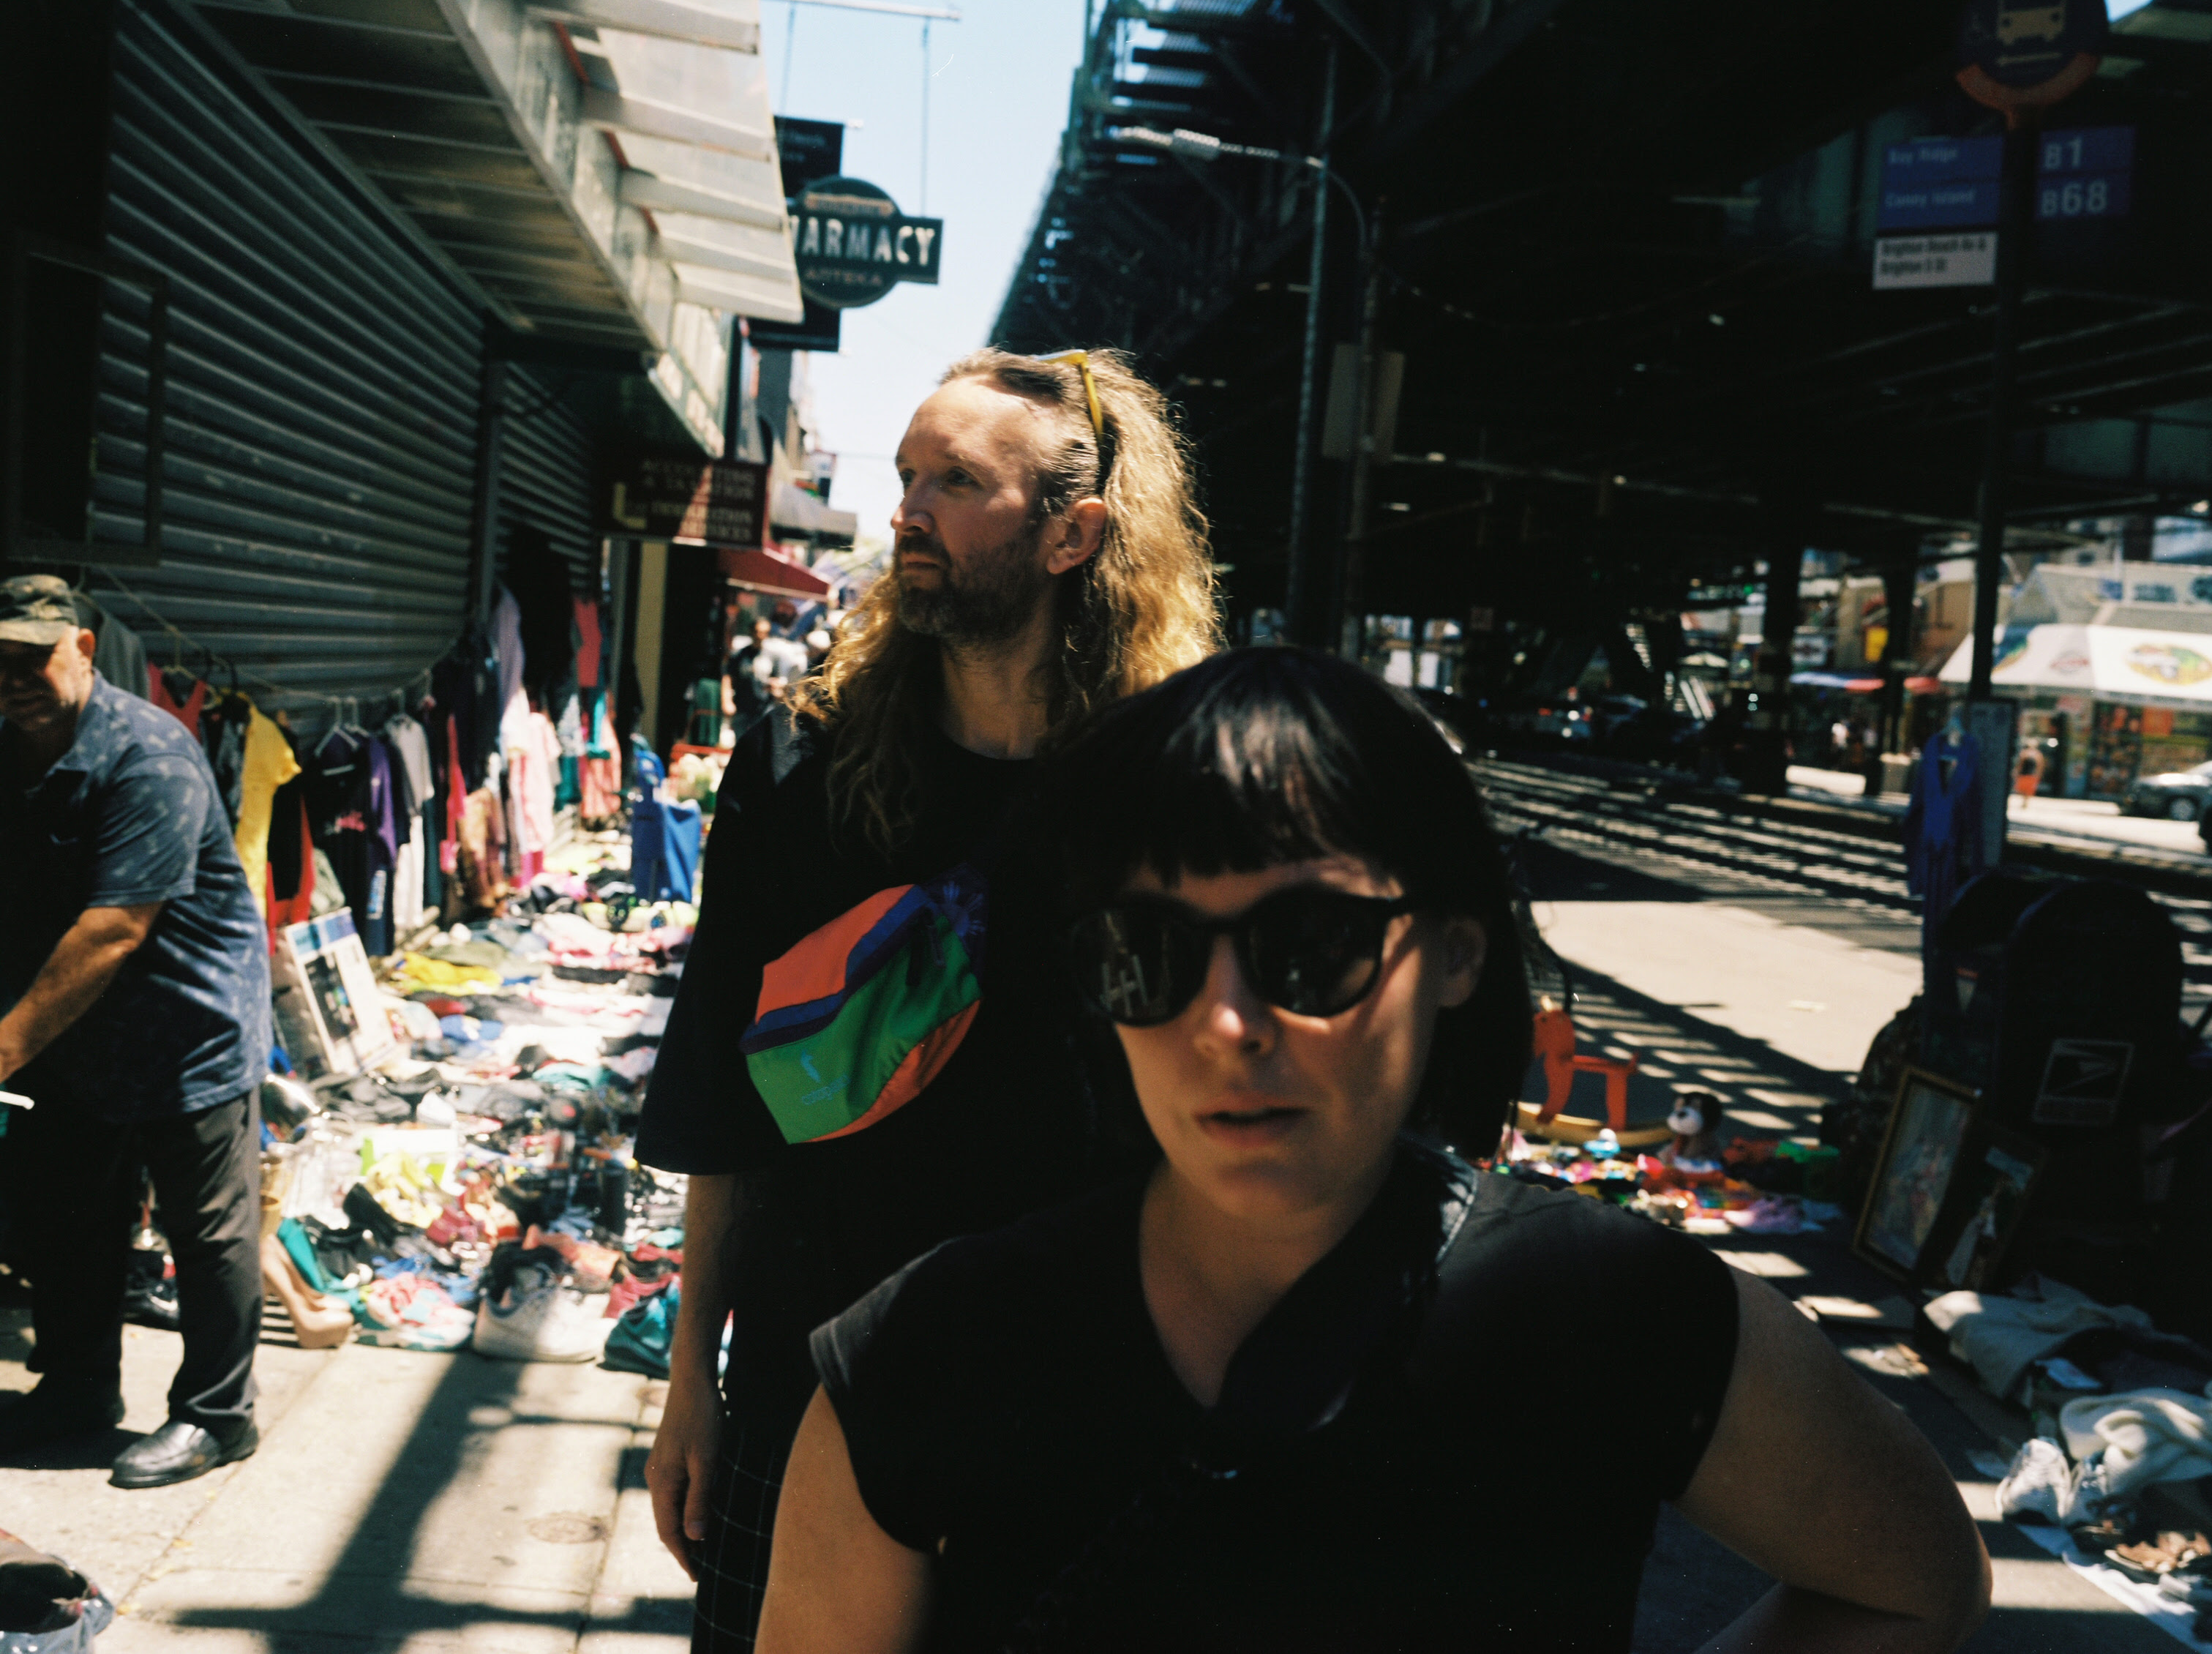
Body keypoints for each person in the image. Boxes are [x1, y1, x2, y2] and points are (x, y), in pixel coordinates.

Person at [757, 648, 1992, 1653]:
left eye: (1312, 944)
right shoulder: (924, 1353)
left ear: (1457, 950)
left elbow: (1912, 1577)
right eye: (1150, 952)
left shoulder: (1620, 1312)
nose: (1227, 1024)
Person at [637, 348, 1220, 1651]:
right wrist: (691, 1381)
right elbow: (722, 1094)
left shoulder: (1164, 789)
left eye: (956, 481)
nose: (906, 509)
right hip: (810, 1369)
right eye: (906, 475)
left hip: (1077, 1389)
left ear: (1074, 535)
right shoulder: (802, 759)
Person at [0, 576, 272, 1488]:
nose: (14, 678)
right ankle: (78, 1387)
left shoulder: (148, 753)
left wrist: (2, 1044)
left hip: (185, 1027)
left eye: (33, 657)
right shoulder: (8, 749)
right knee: (71, 1216)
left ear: (80, 647)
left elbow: (114, 926)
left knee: (208, 1232)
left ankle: (216, 1416)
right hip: (71, 1035)